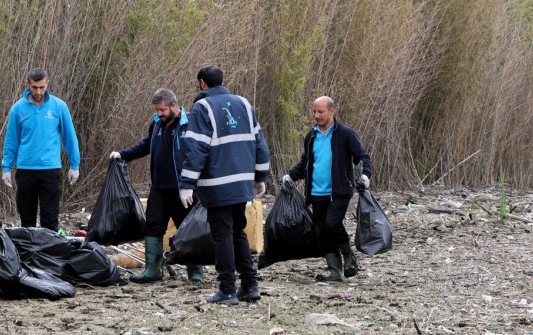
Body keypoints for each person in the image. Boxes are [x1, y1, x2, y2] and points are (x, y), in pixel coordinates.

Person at [179, 65, 270, 305]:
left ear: (202, 83)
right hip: (241, 183)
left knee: (222, 236)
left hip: (216, 184)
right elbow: (260, 142)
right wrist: (260, 177)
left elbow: (196, 148)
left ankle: (227, 288)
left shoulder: (202, 107)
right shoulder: (244, 103)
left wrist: (187, 183)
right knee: (237, 231)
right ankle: (250, 284)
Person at [110, 89, 203, 284]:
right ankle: (152, 270)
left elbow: (199, 154)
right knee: (152, 227)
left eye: (162, 110)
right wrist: (123, 155)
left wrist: (195, 184)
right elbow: (145, 145)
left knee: (187, 229)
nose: (159, 113)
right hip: (159, 189)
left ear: (173, 106)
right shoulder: (157, 125)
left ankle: (195, 272)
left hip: (183, 189)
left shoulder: (189, 124)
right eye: (156, 110)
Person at [283, 95, 372, 281]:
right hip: (316, 193)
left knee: (332, 224)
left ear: (331, 111)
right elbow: (305, 164)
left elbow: (362, 157)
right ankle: (335, 271)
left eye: (320, 112)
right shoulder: (311, 136)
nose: (316, 115)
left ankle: (349, 257)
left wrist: (364, 176)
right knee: (321, 231)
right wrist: (290, 176)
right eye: (314, 111)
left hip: (339, 191)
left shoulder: (345, 134)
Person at [2, 68, 81, 231]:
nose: (38, 91)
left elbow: (69, 137)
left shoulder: (59, 106)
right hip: (26, 170)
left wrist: (74, 165)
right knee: (27, 220)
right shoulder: (18, 109)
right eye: (34, 87)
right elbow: (11, 141)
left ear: (47, 84)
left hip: (50, 170)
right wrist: (6, 167)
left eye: (42, 87)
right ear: (28, 84)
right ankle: (28, 254)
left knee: (50, 220)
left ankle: (49, 254)